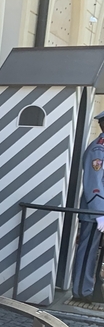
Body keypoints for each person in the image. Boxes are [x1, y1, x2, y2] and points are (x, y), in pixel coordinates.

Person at [72, 110, 104, 302]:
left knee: (94, 253)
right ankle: (82, 291)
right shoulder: (98, 149)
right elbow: (94, 185)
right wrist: (99, 213)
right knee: (88, 253)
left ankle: (90, 288)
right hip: (95, 212)